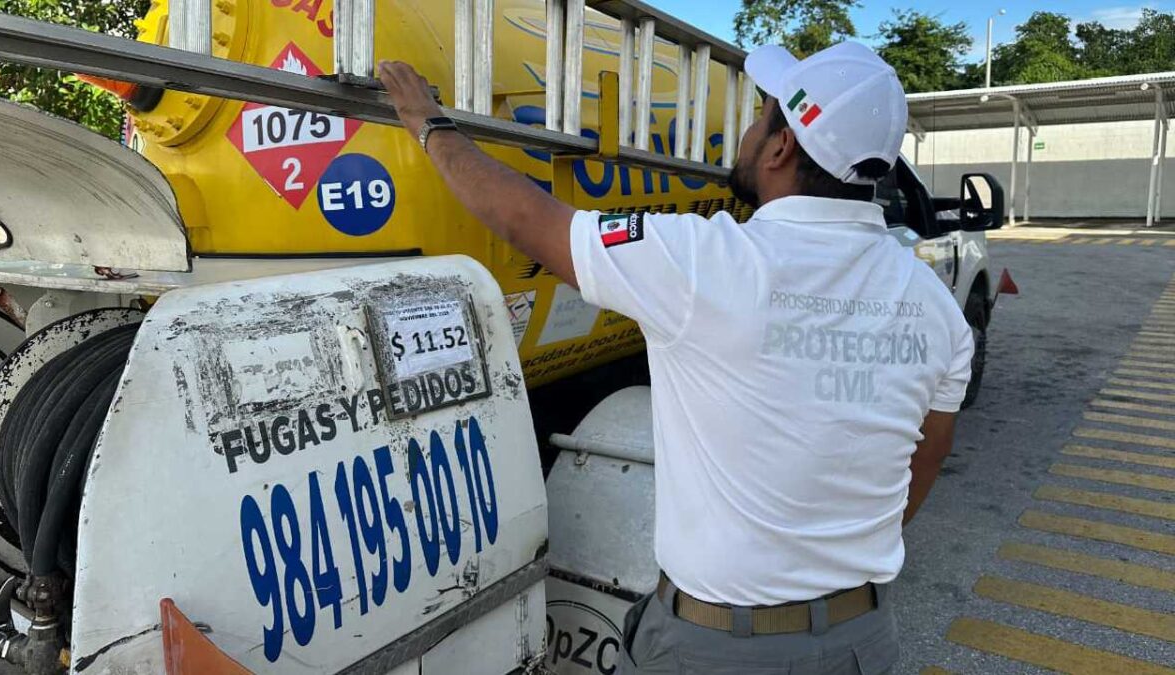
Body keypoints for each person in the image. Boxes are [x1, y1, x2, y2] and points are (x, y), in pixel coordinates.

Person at [379, 38, 971, 675]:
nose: (745, 132)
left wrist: (428, 122)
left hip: (717, 651)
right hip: (860, 639)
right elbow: (920, 464)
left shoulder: (704, 263)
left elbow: (528, 220)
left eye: (761, 115)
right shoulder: (935, 306)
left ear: (781, 147)